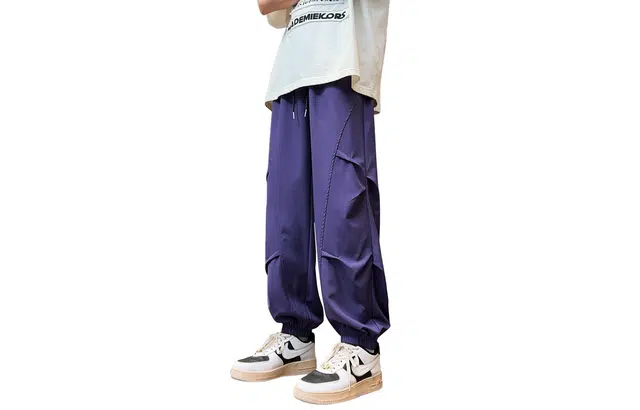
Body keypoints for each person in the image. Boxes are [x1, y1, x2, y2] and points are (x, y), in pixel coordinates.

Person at [230, 0, 391, 404]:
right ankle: (296, 334)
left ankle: (361, 346)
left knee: (342, 205)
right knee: (287, 211)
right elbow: (267, 3)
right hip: (290, 73)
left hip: (342, 66)